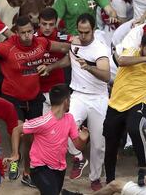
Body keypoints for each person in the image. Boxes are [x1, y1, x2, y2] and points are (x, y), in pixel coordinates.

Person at [0, 15, 70, 188]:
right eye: (23, 33)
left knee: (30, 138)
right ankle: (15, 158)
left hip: (34, 96)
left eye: (30, 31)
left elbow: (66, 48)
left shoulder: (41, 43)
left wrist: (78, 43)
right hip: (12, 97)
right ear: (16, 33)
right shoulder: (7, 47)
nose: (28, 36)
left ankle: (27, 172)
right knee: (19, 130)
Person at [44, 14, 111, 191]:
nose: (82, 36)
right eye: (80, 32)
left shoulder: (100, 49)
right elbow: (70, 59)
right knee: (61, 127)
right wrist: (51, 67)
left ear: (94, 30)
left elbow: (106, 76)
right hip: (79, 95)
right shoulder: (75, 42)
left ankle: (95, 178)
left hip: (98, 98)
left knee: (98, 143)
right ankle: (78, 157)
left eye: (86, 32)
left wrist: (88, 67)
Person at [7, 84, 89, 195]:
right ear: (66, 101)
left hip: (59, 168)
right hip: (40, 168)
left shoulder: (69, 119)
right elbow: (17, 130)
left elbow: (79, 146)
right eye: (69, 99)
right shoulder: (43, 121)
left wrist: (83, 139)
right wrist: (15, 154)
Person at [103, 34, 146, 184]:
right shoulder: (131, 51)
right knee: (111, 143)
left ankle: (143, 170)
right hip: (116, 102)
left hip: (139, 100)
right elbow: (121, 61)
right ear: (141, 46)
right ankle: (109, 181)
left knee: (135, 128)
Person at [35, 7, 72, 114]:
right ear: (38, 23)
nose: (47, 28)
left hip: (59, 90)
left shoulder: (63, 37)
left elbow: (78, 45)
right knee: (43, 128)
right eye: (44, 24)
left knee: (60, 127)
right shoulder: (32, 39)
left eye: (51, 24)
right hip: (38, 91)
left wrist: (50, 67)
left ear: (56, 23)